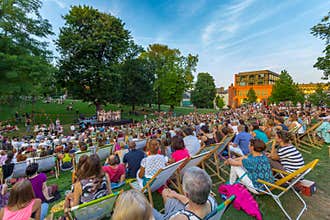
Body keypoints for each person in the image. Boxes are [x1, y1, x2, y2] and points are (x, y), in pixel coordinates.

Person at [154, 167, 218, 220]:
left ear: (187, 194)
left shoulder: (182, 218)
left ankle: (166, 215)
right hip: (191, 211)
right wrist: (175, 195)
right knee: (166, 192)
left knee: (146, 208)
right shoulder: (211, 199)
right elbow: (194, 204)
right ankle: (168, 213)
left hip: (176, 216)